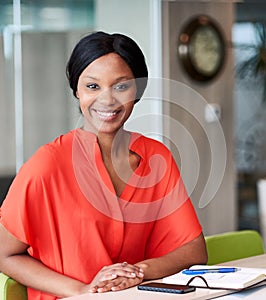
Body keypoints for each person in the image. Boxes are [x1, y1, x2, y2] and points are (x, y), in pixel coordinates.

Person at [0, 31, 207, 299]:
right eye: (93, 86)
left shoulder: (157, 158)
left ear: (138, 89)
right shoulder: (47, 166)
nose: (107, 100)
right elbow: (4, 253)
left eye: (121, 86)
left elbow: (194, 251)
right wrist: (83, 290)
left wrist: (137, 272)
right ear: (77, 90)